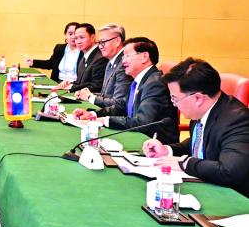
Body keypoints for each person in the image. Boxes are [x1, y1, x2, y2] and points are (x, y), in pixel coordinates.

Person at [143, 58, 249, 197]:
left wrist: (184, 163)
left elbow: (229, 171)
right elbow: (200, 144)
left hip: (233, 199)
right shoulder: (203, 111)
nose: (174, 104)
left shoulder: (237, 120)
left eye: (175, 99)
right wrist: (167, 150)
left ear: (198, 98)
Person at [76, 37, 179, 143]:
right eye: (123, 56)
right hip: (137, 137)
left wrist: (105, 120)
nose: (123, 60)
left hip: (155, 145)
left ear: (144, 57)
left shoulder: (154, 83)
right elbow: (121, 107)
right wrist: (93, 114)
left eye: (127, 55)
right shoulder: (139, 80)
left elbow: (142, 122)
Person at [74, 23, 130, 110]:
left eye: (103, 42)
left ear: (117, 41)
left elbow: (118, 103)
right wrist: (87, 94)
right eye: (99, 43)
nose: (100, 47)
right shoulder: (111, 61)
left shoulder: (124, 63)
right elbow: (106, 95)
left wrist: (90, 97)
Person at [55, 23, 107, 93]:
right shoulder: (83, 58)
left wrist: (72, 86)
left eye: (82, 37)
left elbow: (96, 86)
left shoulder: (100, 58)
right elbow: (81, 83)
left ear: (92, 37)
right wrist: (70, 83)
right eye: (76, 38)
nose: (78, 42)